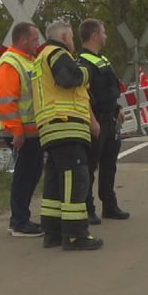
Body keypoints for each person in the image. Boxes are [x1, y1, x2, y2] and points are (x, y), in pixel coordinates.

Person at [32, 20, 103, 251]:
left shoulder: (41, 58)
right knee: (76, 179)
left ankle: (52, 232)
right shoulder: (57, 53)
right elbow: (69, 78)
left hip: (51, 126)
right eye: (71, 38)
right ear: (63, 37)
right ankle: (75, 235)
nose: (73, 42)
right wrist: (86, 71)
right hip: (65, 124)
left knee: (54, 183)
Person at [0, 21, 44, 237]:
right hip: (21, 132)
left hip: (31, 130)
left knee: (31, 173)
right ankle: (19, 222)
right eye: (34, 39)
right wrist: (16, 131)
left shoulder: (28, 60)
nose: (38, 43)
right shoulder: (10, 63)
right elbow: (6, 101)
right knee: (24, 176)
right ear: (22, 40)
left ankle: (21, 218)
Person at [77, 18, 130, 224]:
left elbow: (109, 88)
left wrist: (118, 108)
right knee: (89, 167)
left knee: (109, 165)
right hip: (96, 120)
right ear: (94, 36)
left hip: (110, 119)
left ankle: (109, 204)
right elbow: (83, 94)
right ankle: (88, 208)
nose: (105, 36)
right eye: (103, 32)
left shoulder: (102, 60)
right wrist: (92, 120)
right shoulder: (82, 63)